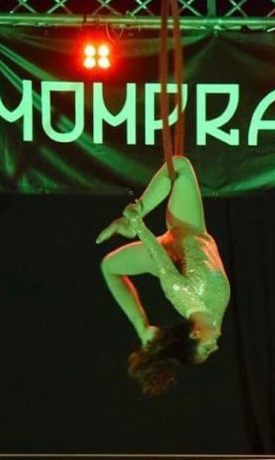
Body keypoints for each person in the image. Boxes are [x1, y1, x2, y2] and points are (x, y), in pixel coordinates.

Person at [96, 156, 230, 395]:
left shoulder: (182, 295)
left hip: (165, 253)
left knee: (109, 266)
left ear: (195, 334)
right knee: (180, 165)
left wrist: (135, 222)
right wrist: (164, 350)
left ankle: (140, 326)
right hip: (192, 230)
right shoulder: (214, 321)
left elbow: (159, 258)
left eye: (207, 348)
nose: (215, 347)